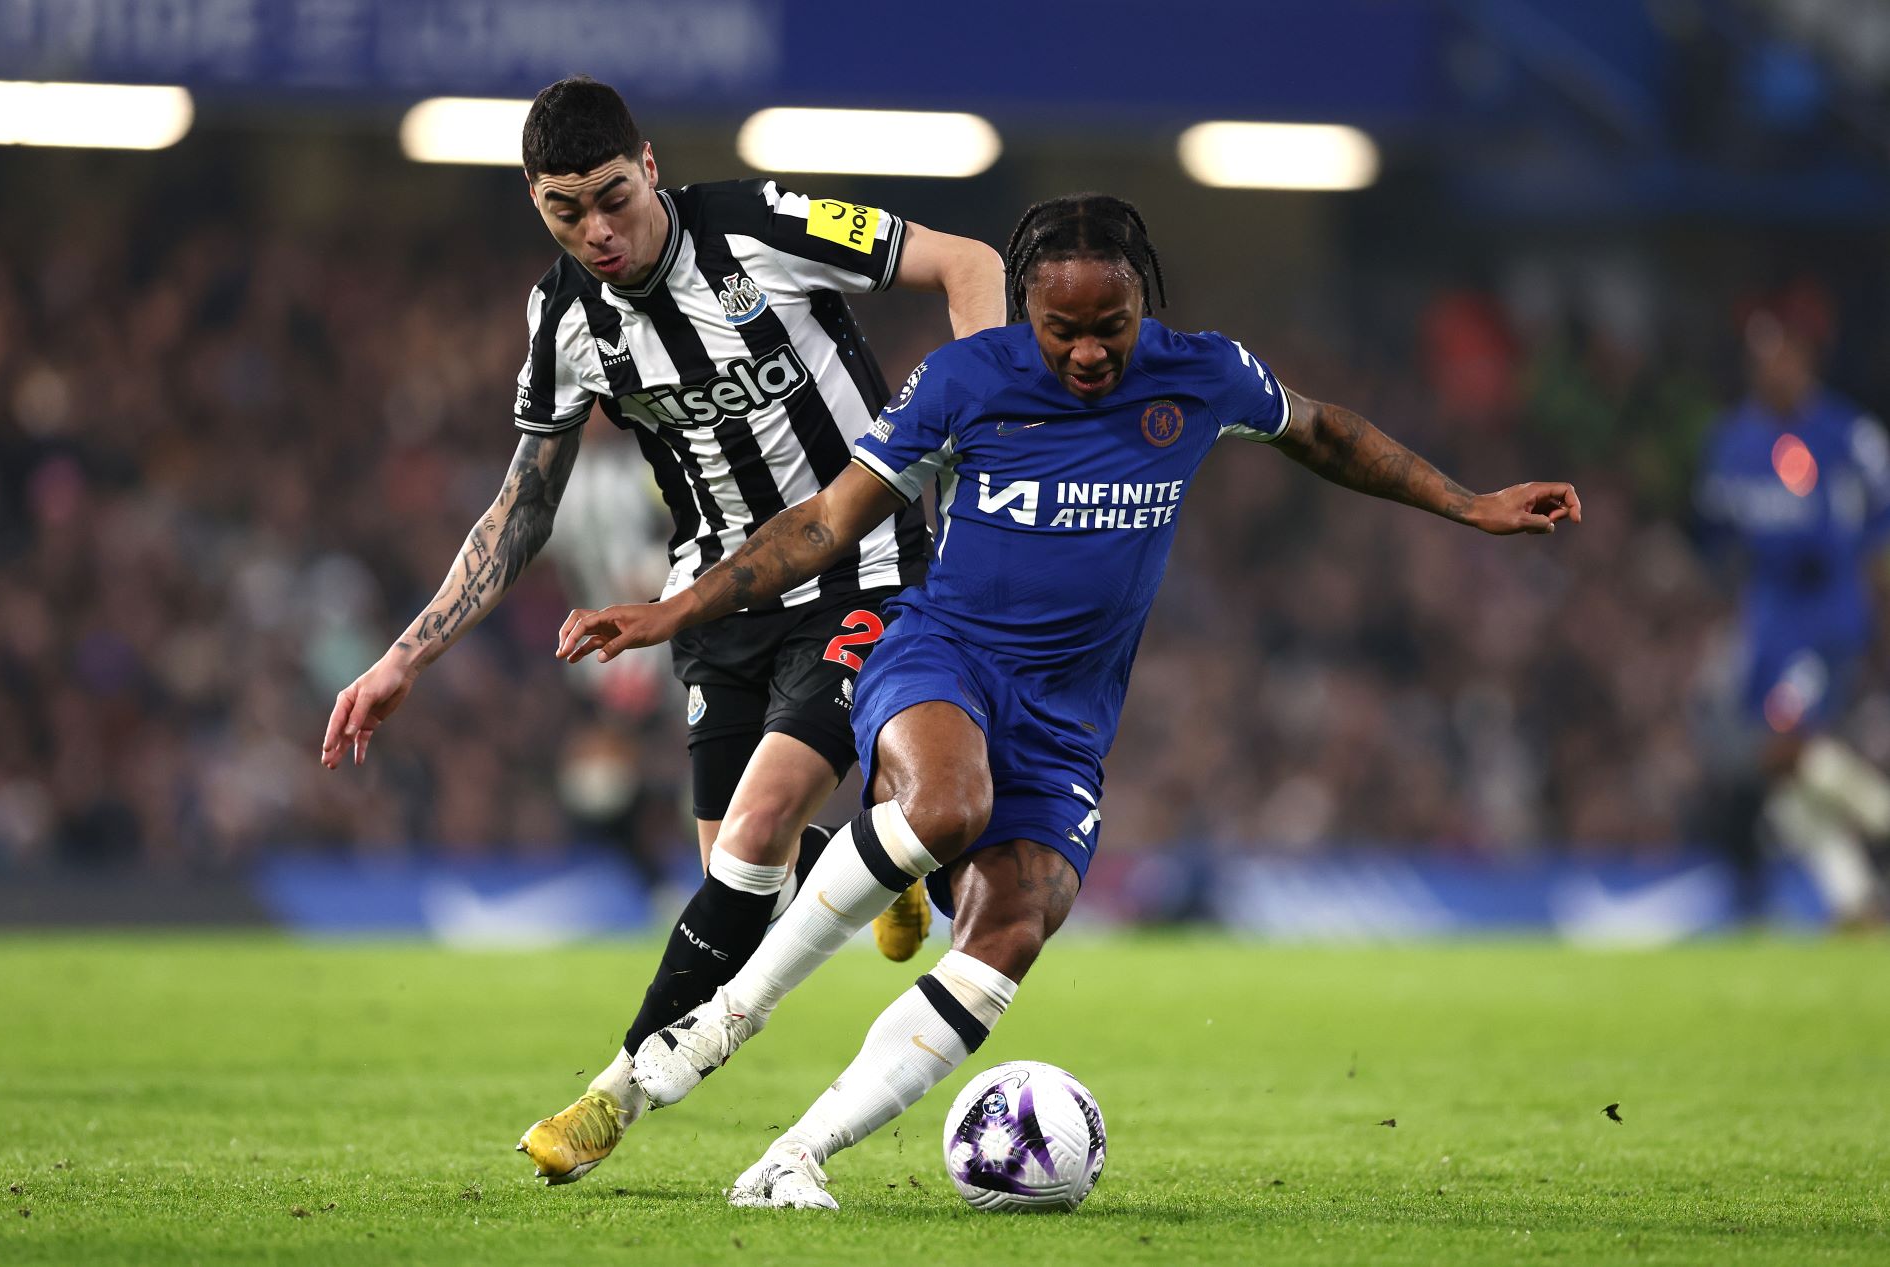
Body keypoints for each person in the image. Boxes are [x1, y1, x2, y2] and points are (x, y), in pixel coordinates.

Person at [555, 192, 1581, 1208]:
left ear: (1146, 306)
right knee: (946, 804)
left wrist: (1466, 502)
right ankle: (723, 1019)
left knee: (1010, 926)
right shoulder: (966, 378)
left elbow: (1323, 433)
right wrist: (674, 608)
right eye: (1061, 330)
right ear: (1024, 312)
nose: (1089, 353)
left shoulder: (1204, 373)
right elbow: (828, 521)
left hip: (1066, 725)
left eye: (1110, 328)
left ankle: (792, 1158)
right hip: (940, 658)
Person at [317, 75, 1006, 1183]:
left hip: (863, 570)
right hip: (713, 605)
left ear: (647, 164)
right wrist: (408, 652)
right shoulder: (562, 319)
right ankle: (876, 864)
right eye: (561, 210)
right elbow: (523, 505)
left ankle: (617, 1091)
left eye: (611, 197)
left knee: (757, 823)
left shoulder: (763, 227)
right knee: (743, 889)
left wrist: (991, 438)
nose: (595, 230)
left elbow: (968, 264)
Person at [1694, 291, 1890, 925]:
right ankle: (1854, 900)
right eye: (1763, 352)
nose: (1773, 365)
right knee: (1777, 775)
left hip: (1826, 612)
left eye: (1785, 352)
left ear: (1807, 359)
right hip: (1768, 619)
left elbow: (1880, 531)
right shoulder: (1731, 443)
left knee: (1784, 748)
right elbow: (1716, 537)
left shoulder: (1849, 436)